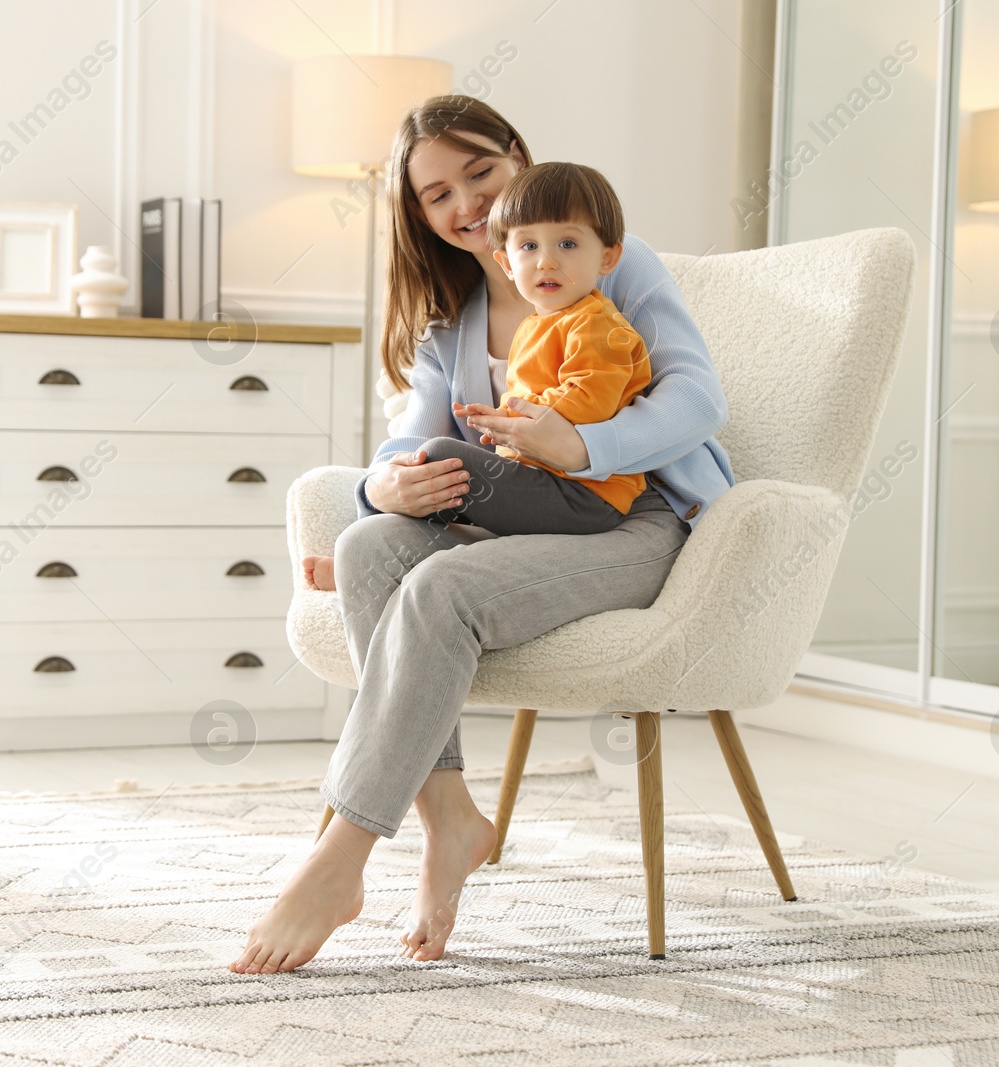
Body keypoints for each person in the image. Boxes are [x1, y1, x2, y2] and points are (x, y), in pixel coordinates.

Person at [229, 94, 734, 975]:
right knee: (367, 547)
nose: (465, 205)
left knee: (442, 588)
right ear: (417, 216)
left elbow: (698, 399)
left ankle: (339, 860)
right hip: (527, 520)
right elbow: (405, 440)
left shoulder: (611, 263)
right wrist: (381, 483)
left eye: (480, 175)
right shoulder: (450, 316)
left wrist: (583, 443)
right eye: (436, 195)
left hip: (637, 520)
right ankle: (449, 815)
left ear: (516, 160)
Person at [300, 160, 653, 594]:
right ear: (506, 260)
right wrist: (382, 487)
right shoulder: (532, 325)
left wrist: (512, 422)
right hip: (544, 483)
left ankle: (380, 561)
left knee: (451, 457)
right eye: (528, 248)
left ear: (609, 256)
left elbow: (594, 398)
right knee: (429, 465)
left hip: (590, 494)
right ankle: (367, 559)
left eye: (566, 244)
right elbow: (412, 440)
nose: (546, 261)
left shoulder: (598, 323)